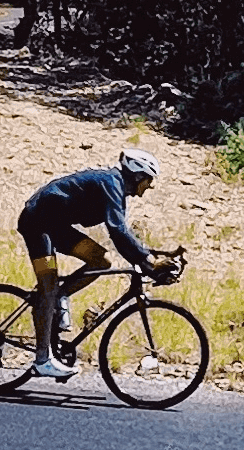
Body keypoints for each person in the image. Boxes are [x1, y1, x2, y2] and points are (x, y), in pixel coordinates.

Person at [17, 148, 163, 380]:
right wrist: (147, 262)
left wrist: (148, 256)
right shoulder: (111, 183)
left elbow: (123, 233)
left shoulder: (115, 188)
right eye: (148, 180)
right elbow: (118, 231)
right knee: (48, 284)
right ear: (137, 175)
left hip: (56, 226)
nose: (149, 187)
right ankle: (42, 360)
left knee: (101, 260)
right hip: (38, 223)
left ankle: (60, 296)